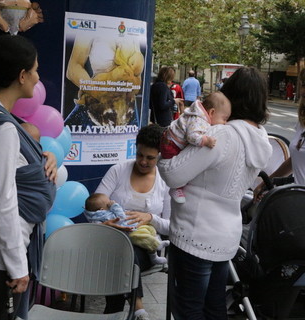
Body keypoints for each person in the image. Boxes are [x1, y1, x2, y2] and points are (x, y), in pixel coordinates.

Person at [157, 67, 272, 320]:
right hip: (226, 237)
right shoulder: (261, 140)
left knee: (188, 309)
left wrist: (163, 157)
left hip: (194, 233)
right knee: (215, 307)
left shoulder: (222, 134)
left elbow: (173, 174)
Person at [0, 34, 57, 320]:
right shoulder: (2, 128)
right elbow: (2, 201)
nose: (39, 77)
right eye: (36, 69)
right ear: (22, 75)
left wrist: (40, 157)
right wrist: (18, 267)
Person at [95, 124, 170, 320]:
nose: (143, 162)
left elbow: (172, 226)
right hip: (111, 240)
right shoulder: (118, 170)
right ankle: (137, 307)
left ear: (160, 157)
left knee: (122, 254)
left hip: (146, 247)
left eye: (150, 158)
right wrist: (108, 222)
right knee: (119, 248)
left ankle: (113, 313)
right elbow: (96, 204)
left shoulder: (166, 181)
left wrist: (150, 218)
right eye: (139, 155)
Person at [160, 91, 231, 203]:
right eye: (224, 119)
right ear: (212, 112)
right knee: (178, 170)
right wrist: (206, 140)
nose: (225, 123)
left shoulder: (198, 115)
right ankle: (176, 188)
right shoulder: (199, 119)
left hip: (170, 140)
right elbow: (192, 136)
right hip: (172, 144)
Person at [65, 34, 144, 127]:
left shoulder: (133, 32)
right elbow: (72, 69)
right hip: (98, 105)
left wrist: (130, 78)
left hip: (126, 109)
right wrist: (99, 93)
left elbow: (137, 85)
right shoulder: (90, 29)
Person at [254, 68, 305, 200]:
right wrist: (267, 182)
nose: (302, 91)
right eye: (303, 85)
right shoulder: (302, 123)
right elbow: (296, 159)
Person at [84, 193, 170, 265]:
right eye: (108, 203)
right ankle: (156, 245)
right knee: (142, 237)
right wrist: (114, 206)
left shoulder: (98, 215)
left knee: (149, 228)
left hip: (132, 226)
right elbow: (122, 217)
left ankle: (155, 251)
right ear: (102, 209)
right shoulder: (105, 215)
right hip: (127, 233)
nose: (111, 202)